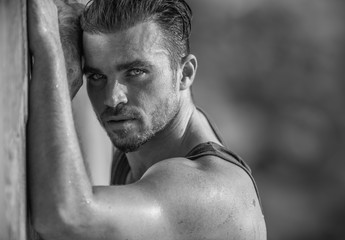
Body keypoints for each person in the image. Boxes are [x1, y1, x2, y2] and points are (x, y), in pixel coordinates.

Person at [28, 0, 267, 239]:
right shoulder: (140, 145)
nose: (113, 98)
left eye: (135, 73)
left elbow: (67, 218)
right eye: (97, 76)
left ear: (184, 73)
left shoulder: (209, 189)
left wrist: (53, 56)